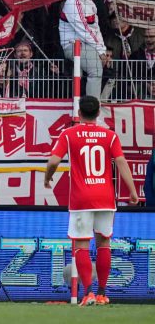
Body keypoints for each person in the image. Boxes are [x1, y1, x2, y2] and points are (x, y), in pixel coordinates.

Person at [44, 95, 138, 306]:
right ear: (98, 113)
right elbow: (121, 162)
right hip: (105, 198)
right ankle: (103, 293)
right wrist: (132, 190)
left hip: (81, 199)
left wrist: (47, 177)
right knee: (104, 242)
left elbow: (53, 160)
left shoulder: (69, 134)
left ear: (79, 113)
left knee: (81, 244)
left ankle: (88, 293)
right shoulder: (109, 136)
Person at [59, 0, 107, 99]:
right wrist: (100, 51)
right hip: (72, 45)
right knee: (96, 70)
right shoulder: (71, 4)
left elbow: (96, 29)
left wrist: (102, 49)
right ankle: (92, 108)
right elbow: (85, 31)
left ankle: (79, 105)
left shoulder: (90, 3)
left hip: (86, 44)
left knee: (80, 74)